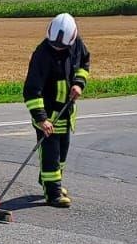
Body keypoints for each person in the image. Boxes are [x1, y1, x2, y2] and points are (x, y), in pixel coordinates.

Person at [22, 13, 92, 208]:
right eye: (55, 46)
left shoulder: (76, 43)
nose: (58, 49)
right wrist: (42, 119)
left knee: (61, 154)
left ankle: (50, 181)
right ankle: (53, 194)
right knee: (51, 154)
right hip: (47, 116)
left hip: (66, 112)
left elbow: (84, 63)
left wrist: (79, 83)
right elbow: (31, 91)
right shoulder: (41, 55)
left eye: (62, 47)